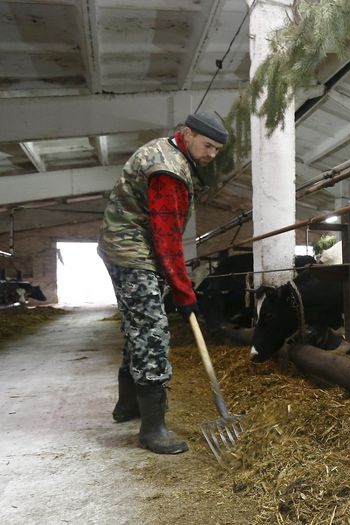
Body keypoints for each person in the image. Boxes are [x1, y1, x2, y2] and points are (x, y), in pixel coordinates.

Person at [98, 111, 227, 454]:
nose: (212, 155)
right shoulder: (169, 172)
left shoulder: (167, 151)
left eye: (217, 150)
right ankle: (153, 429)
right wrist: (186, 294)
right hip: (131, 250)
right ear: (187, 134)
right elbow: (167, 240)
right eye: (208, 145)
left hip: (120, 244)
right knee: (152, 332)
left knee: (136, 326)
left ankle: (128, 405)